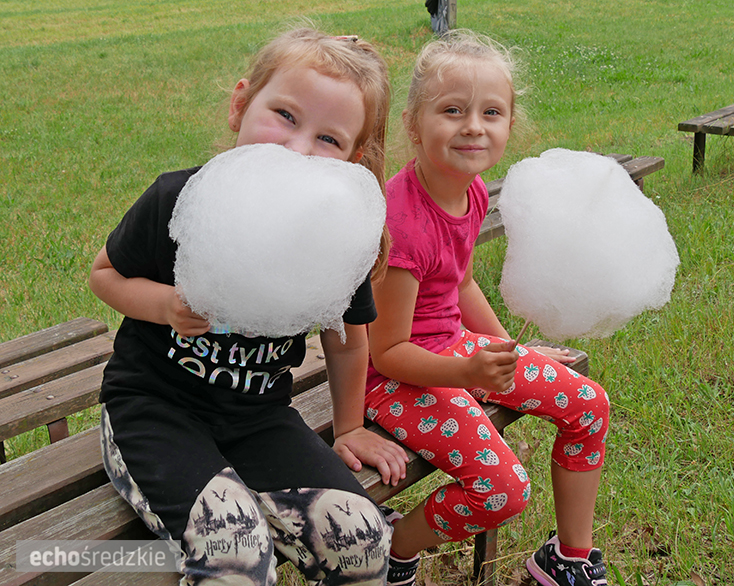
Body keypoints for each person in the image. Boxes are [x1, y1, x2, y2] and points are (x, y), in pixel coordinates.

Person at [89, 27, 409, 586]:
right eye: (285, 115)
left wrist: (350, 426)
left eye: (329, 139)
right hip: (153, 406)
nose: (298, 147)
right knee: (234, 554)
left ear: (353, 160)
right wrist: (165, 304)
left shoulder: (338, 238)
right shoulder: (178, 200)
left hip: (258, 415)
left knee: (363, 544)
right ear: (241, 104)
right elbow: (105, 274)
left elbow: (347, 337)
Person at [365, 30, 610, 586]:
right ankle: (393, 546)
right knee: (504, 489)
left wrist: (506, 350)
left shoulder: (471, 190)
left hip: (452, 353)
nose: (473, 125)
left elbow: (463, 282)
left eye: (491, 112)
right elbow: (387, 353)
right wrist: (466, 372)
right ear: (412, 123)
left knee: (588, 405)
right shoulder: (401, 225)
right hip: (393, 380)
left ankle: (569, 558)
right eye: (452, 110)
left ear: (508, 125)